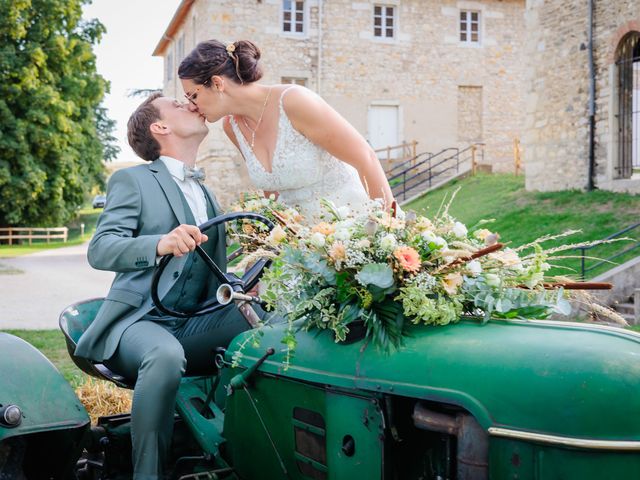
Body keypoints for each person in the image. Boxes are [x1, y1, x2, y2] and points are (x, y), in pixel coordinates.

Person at [75, 93, 267, 479]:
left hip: (192, 321)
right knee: (163, 355)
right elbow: (101, 248)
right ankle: (148, 473)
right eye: (178, 105)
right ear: (159, 127)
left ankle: (246, 453)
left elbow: (211, 272)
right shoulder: (132, 180)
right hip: (139, 322)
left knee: (269, 327)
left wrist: (243, 286)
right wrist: (159, 243)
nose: (191, 104)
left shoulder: (207, 192)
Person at [177, 39, 396, 220]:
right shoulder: (232, 127)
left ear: (217, 83)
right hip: (304, 251)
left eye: (193, 95)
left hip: (355, 227)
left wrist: (387, 230)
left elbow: (365, 158)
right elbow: (273, 195)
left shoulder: (294, 101)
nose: (191, 106)